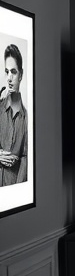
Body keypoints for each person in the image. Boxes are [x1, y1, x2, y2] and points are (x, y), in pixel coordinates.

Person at [0, 43, 28, 185]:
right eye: (7, 71)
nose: (9, 78)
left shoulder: (26, 118)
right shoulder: (0, 107)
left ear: (21, 75)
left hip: (13, 187)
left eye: (13, 72)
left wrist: (17, 188)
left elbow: (25, 157)